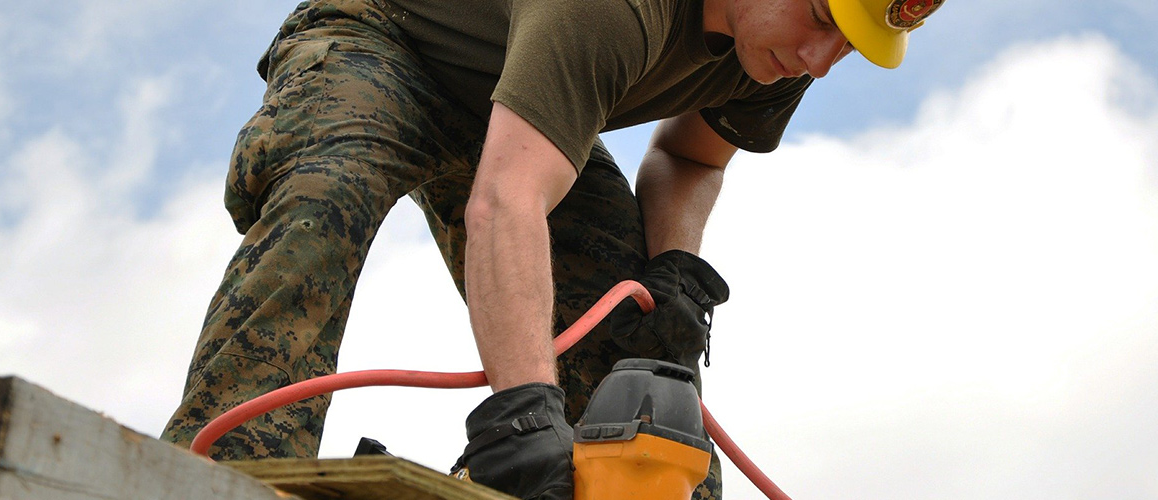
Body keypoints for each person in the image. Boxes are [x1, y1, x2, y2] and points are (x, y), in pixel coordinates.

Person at [161, 0, 946, 498]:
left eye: (847, 43)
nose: (820, 58)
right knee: (325, 201)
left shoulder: (785, 46)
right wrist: (521, 413)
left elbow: (692, 157)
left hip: (514, 110)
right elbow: (507, 198)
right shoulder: (611, 9)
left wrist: (673, 266)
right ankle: (216, 470)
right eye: (819, 20)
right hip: (386, 41)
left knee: (631, 344)